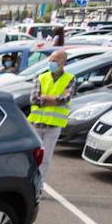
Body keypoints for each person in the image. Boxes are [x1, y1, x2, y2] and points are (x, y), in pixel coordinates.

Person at [28, 49, 75, 179]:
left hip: (53, 127)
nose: (51, 63)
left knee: (45, 159)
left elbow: (65, 99)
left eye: (55, 61)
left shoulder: (70, 78)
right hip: (36, 124)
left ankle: (38, 185)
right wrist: (54, 99)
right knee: (32, 157)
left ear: (63, 63)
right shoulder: (41, 77)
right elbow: (34, 99)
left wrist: (45, 97)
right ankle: (29, 182)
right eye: (50, 60)